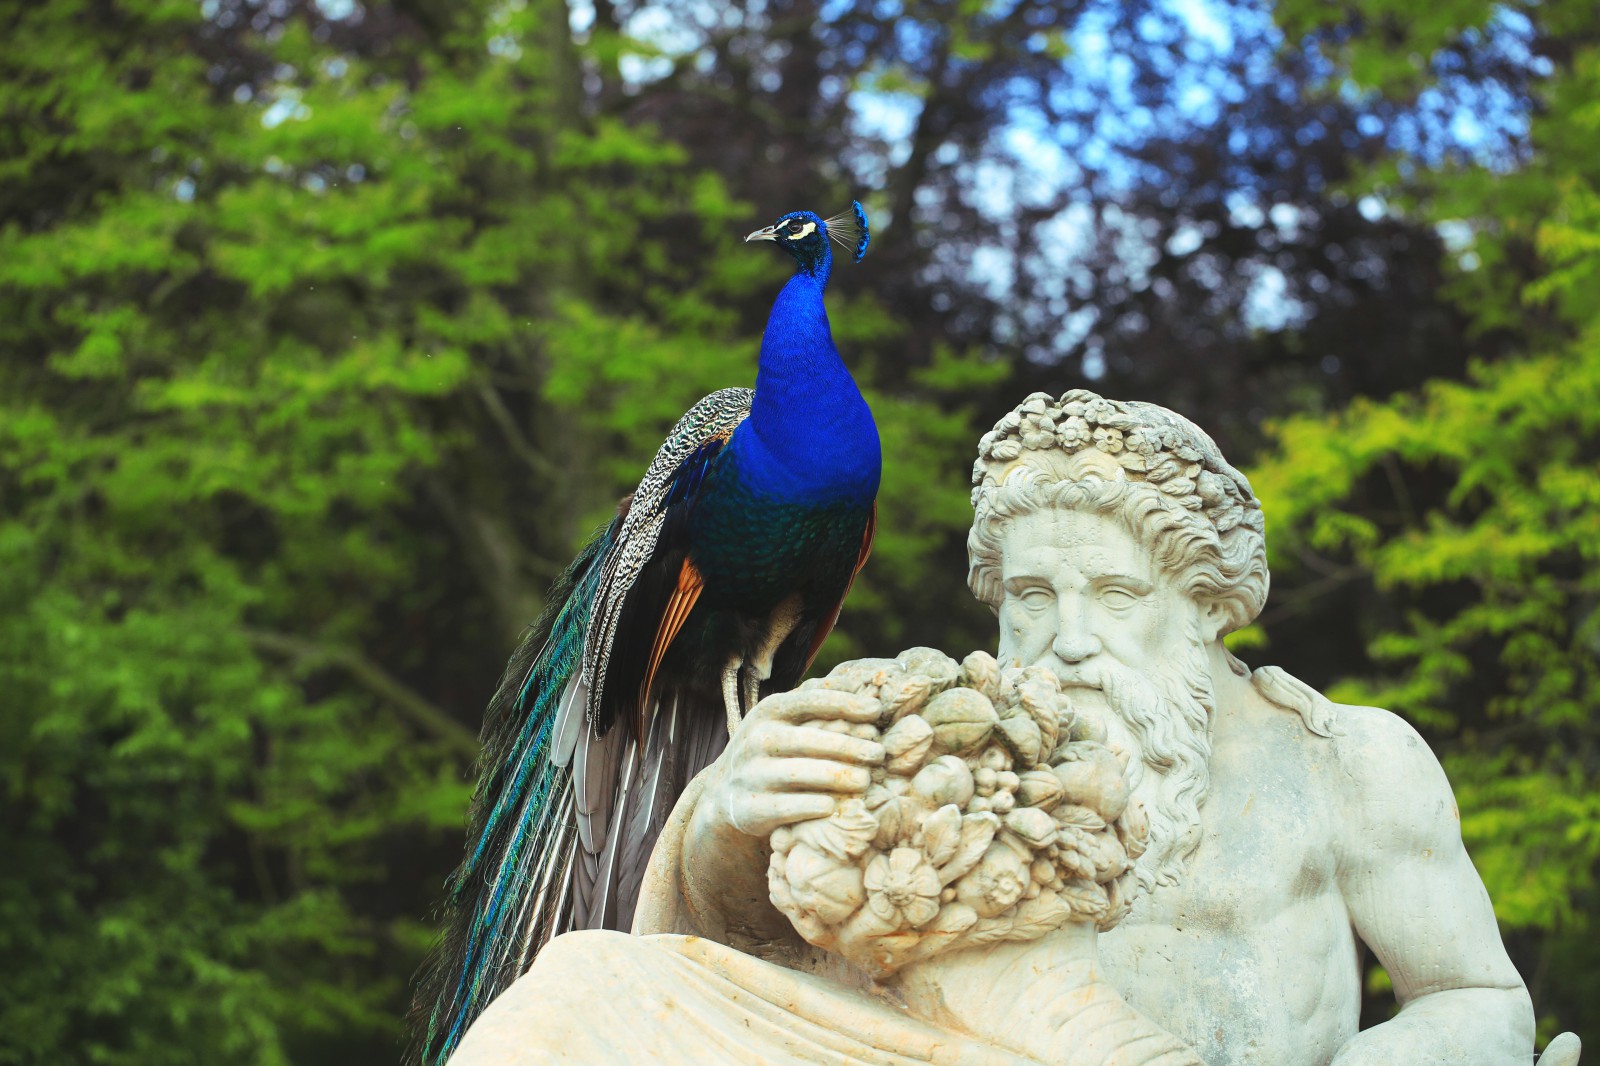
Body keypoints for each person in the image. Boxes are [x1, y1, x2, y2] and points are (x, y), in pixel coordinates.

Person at [452, 390, 1570, 1066]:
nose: (1066, 638)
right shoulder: (962, 746)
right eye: (1031, 597)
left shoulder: (1345, 761)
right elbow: (770, 946)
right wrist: (731, 827)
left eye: (1116, 597)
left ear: (1208, 603)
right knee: (576, 991)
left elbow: (1477, 1000)